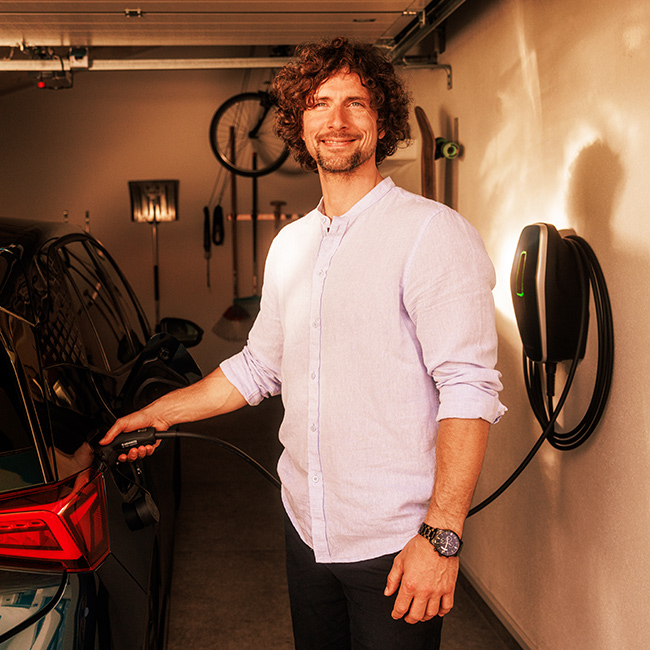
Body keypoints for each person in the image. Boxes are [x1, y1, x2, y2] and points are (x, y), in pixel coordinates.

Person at [101, 37, 505, 650]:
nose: (337, 122)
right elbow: (260, 367)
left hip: (396, 543)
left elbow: (468, 389)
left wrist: (442, 537)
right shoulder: (291, 244)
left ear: (382, 121)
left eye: (356, 104)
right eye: (319, 104)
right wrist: (157, 413)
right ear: (299, 121)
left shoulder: (432, 234)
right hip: (307, 528)